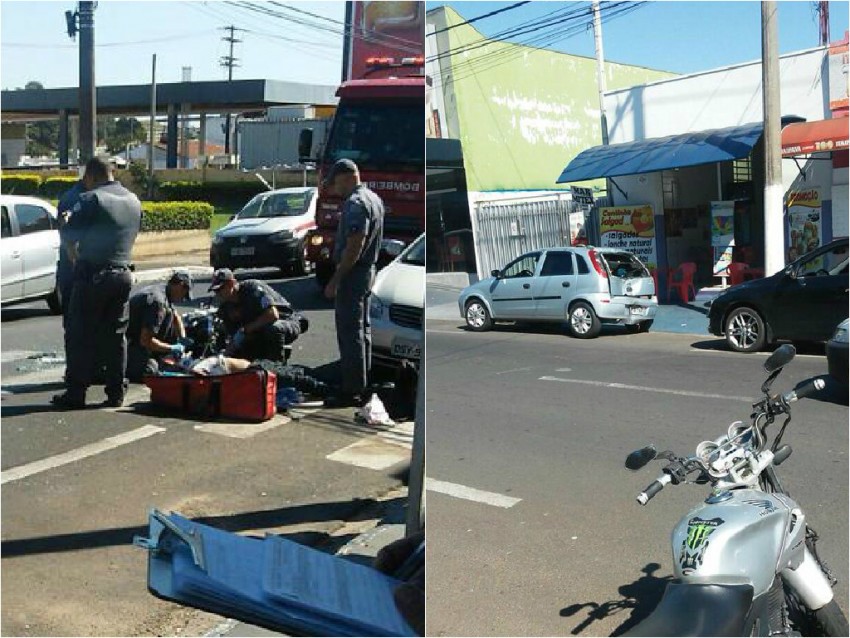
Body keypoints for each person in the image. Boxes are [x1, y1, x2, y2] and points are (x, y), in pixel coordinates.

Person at [51, 157, 142, 409]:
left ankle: (76, 393)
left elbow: (70, 236)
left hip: (93, 275)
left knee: (80, 334)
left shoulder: (90, 199)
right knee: (116, 336)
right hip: (123, 273)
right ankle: (116, 391)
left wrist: (75, 257)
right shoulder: (134, 201)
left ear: (90, 176)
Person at [322, 158, 385, 407]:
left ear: (348, 177)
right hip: (367, 270)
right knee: (362, 330)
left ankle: (352, 390)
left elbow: (355, 244)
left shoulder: (356, 203)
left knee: (350, 332)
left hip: (353, 273)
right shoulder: (374, 199)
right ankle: (362, 383)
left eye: (336, 184)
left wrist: (336, 279)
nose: (336, 190)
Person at [209, 268, 307, 362]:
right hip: (257, 331)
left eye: (220, 289)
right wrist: (224, 356)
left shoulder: (253, 288)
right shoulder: (225, 307)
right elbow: (234, 337)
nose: (218, 294)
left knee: (273, 328)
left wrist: (247, 329)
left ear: (231, 283)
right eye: (215, 291)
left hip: (285, 321)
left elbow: (272, 315)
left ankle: (276, 366)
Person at [126, 271, 194, 381]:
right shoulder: (157, 302)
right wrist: (172, 348)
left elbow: (176, 316)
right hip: (130, 342)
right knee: (151, 371)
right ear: (180, 285)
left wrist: (182, 339)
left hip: (141, 338)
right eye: (184, 294)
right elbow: (146, 340)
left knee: (170, 317)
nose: (183, 299)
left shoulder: (164, 291)